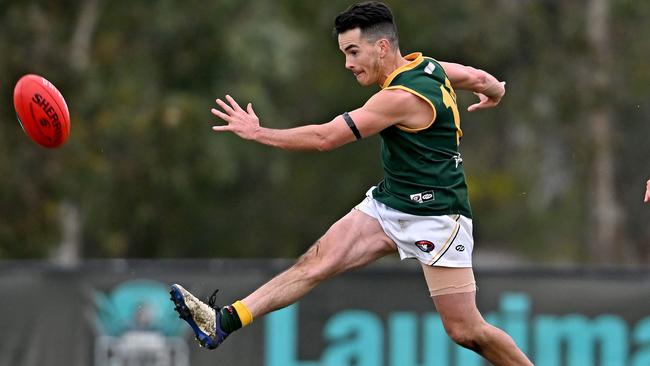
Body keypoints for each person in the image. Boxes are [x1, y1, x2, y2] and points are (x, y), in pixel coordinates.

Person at [170, 2, 533, 365]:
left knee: (466, 331)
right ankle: (223, 322)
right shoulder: (430, 67)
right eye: (345, 53)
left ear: (382, 47)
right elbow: (475, 77)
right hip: (389, 205)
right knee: (313, 264)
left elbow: (325, 138)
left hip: (437, 218)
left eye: (353, 52)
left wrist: (258, 133)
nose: (347, 63)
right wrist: (495, 91)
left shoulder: (399, 99)